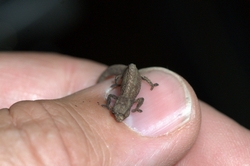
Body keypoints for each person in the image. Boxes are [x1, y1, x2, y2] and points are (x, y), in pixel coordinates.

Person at [0, 52, 249, 165]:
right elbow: (110, 100)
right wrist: (108, 99)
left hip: (135, 74)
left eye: (122, 113)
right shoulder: (119, 100)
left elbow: (136, 101)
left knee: (138, 76)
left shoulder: (130, 102)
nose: (119, 116)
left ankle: (144, 79)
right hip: (126, 75)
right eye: (120, 113)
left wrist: (138, 110)